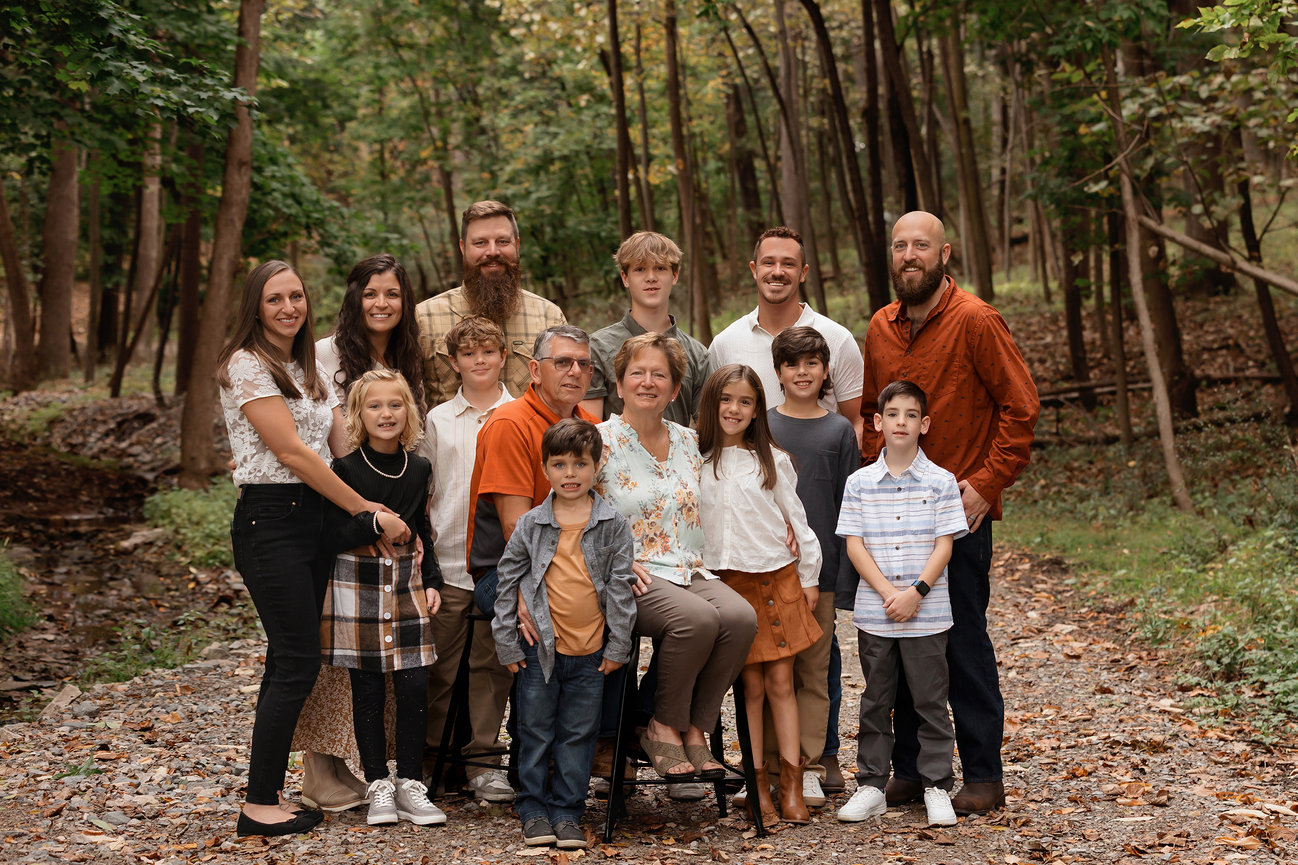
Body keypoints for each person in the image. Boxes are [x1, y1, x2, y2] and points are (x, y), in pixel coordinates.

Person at [217, 260, 410, 837]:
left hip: (313, 522)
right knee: (296, 660)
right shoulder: (246, 365)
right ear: (255, 306)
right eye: (275, 298)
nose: (288, 308)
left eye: (296, 296)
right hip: (270, 521)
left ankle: (265, 792)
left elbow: (339, 447)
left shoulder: (305, 369)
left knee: (291, 660)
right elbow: (295, 455)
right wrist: (367, 511)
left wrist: (396, 490)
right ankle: (258, 803)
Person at [860, 211, 1039, 815]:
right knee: (902, 639)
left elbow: (1021, 408)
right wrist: (873, 484)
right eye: (901, 245)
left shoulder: (976, 320)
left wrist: (986, 487)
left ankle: (984, 775)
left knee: (960, 644)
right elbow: (870, 416)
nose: (910, 255)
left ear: (945, 254)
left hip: (955, 518)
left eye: (922, 246)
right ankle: (912, 770)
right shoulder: (881, 328)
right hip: (891, 522)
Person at [594, 333, 758, 784]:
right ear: (620, 381)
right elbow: (571, 512)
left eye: (659, 375)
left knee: (740, 618)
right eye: (638, 373)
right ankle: (660, 724)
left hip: (687, 566)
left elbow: (741, 477)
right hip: (630, 574)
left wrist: (781, 518)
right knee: (697, 620)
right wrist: (614, 560)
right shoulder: (598, 441)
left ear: (675, 385)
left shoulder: (691, 441)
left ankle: (694, 729)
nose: (648, 382)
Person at [297, 252, 426, 813]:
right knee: (335, 653)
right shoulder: (325, 355)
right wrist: (361, 515)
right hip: (336, 509)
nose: (381, 304)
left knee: (383, 656)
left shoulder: (407, 356)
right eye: (371, 293)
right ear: (354, 297)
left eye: (392, 294)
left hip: (392, 518)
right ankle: (322, 771)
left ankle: (387, 770)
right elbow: (310, 433)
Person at [492, 419, 638, 850]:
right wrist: (506, 641)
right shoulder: (531, 525)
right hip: (541, 653)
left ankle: (568, 811)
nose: (570, 473)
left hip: (592, 654)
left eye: (580, 463)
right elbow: (507, 582)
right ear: (545, 469)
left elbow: (621, 590)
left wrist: (618, 646)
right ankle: (533, 807)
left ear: (597, 467)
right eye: (559, 464)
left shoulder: (613, 524)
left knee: (579, 735)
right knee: (535, 731)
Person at [835, 380, 967, 827]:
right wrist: (890, 594)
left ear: (924, 424)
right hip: (877, 613)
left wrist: (916, 593)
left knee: (931, 702)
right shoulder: (859, 483)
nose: (901, 422)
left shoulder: (942, 482)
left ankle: (936, 787)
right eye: (892, 414)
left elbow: (944, 546)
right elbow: (855, 546)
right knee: (876, 698)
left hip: (928, 614)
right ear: (877, 422)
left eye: (911, 415)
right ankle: (871, 785)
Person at [695, 364, 822, 826]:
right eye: (726, 399)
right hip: (728, 584)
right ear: (713, 403)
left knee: (782, 684)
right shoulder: (695, 457)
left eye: (745, 401)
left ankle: (791, 786)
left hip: (776, 577)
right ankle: (757, 786)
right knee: (749, 688)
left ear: (756, 409)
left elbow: (798, 521)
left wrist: (809, 577)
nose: (734, 409)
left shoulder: (771, 459)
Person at [319, 369, 445, 827]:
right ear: (358, 414)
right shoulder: (346, 469)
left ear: (408, 412)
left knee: (413, 684)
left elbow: (421, 530)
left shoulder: (420, 468)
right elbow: (329, 533)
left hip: (407, 581)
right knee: (368, 688)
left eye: (394, 405)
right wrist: (374, 524)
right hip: (357, 584)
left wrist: (431, 578)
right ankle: (377, 784)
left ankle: (411, 783)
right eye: (374, 406)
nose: (385, 413)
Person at [418, 315, 516, 801]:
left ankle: (482, 763)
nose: (480, 360)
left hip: (501, 566)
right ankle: (430, 764)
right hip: (449, 563)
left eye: (489, 351)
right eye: (469, 353)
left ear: (504, 357)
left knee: (492, 666)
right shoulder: (438, 420)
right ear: (453, 362)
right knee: (440, 667)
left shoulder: (519, 415)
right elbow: (428, 489)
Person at [764, 327, 860, 804]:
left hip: (818, 577)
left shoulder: (839, 430)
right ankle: (768, 763)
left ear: (825, 371)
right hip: (767, 572)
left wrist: (842, 579)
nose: (802, 372)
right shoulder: (762, 426)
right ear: (778, 371)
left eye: (812, 364)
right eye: (792, 364)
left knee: (814, 670)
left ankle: (808, 761)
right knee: (768, 667)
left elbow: (848, 507)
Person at [708, 227, 865, 446]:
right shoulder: (725, 343)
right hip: (748, 475)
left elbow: (858, 421)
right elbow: (714, 421)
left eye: (789, 264)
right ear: (754, 269)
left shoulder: (837, 339)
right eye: (768, 262)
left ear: (803, 273)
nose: (778, 272)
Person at [416, 200, 566, 408]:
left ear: (517, 245)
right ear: (462, 247)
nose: (493, 251)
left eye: (503, 241)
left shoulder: (549, 317)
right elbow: (408, 399)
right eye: (480, 243)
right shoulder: (425, 318)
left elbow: (564, 396)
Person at [581, 231, 712, 425]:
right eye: (640, 269)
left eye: (660, 268)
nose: (651, 277)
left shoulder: (697, 354)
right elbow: (588, 430)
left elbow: (708, 431)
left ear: (674, 275)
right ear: (625, 278)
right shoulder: (597, 347)